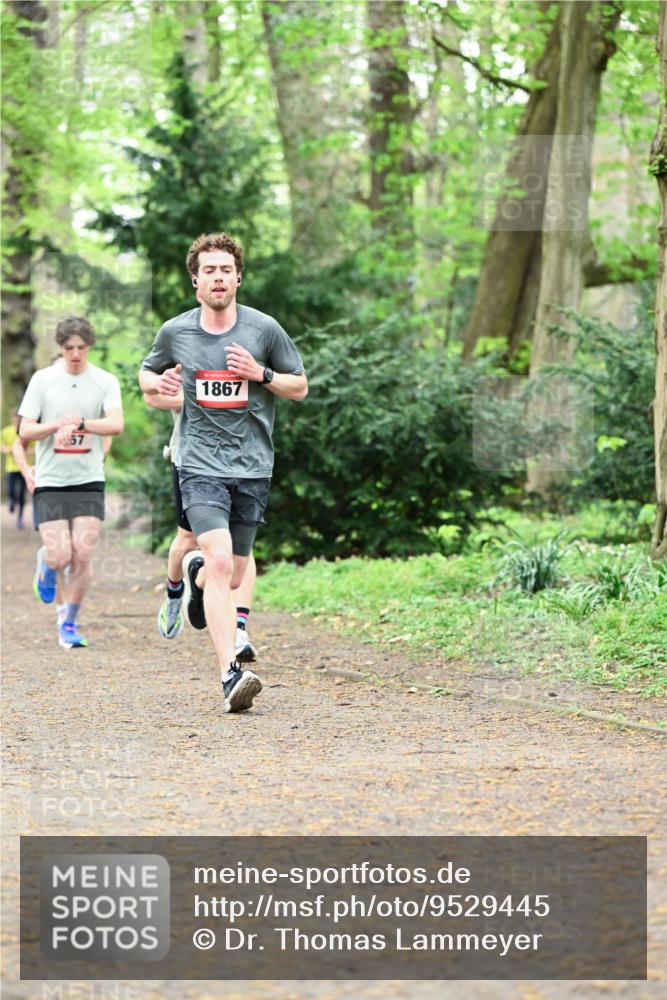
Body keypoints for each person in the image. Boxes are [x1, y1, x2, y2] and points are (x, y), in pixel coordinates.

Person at [139, 231, 307, 712]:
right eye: (208, 270)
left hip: (252, 466)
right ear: (196, 280)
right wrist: (159, 379)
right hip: (198, 464)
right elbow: (146, 376)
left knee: (232, 574)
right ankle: (230, 673)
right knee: (216, 559)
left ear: (238, 278)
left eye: (225, 270)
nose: (218, 277)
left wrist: (262, 375)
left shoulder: (264, 330)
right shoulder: (177, 332)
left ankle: (194, 581)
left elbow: (300, 387)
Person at [18, 315, 124, 648]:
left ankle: (69, 623)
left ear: (88, 346)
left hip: (89, 479)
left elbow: (116, 424)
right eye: (68, 348)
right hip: (51, 480)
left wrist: (81, 422)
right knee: (61, 554)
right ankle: (47, 563)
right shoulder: (43, 380)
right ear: (61, 348)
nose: (75, 354)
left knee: (83, 555)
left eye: (80, 348)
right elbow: (25, 431)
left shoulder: (104, 381)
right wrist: (54, 426)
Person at [144, 388, 259, 660]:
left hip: (240, 459)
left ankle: (239, 629)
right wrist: (202, 399)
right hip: (192, 461)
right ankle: (174, 593)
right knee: (186, 540)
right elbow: (154, 396)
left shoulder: (244, 353)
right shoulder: (184, 351)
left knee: (242, 546)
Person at [1, 413, 27, 528]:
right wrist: (9, 450)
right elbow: (2, 446)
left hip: (24, 466)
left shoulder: (26, 432)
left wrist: (22, 452)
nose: (16, 421)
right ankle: (11, 501)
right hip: (11, 467)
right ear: (12, 419)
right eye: (15, 419)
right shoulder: (5, 431)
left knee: (22, 494)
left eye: (18, 419)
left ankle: (20, 519)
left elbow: (35, 448)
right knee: (10, 489)